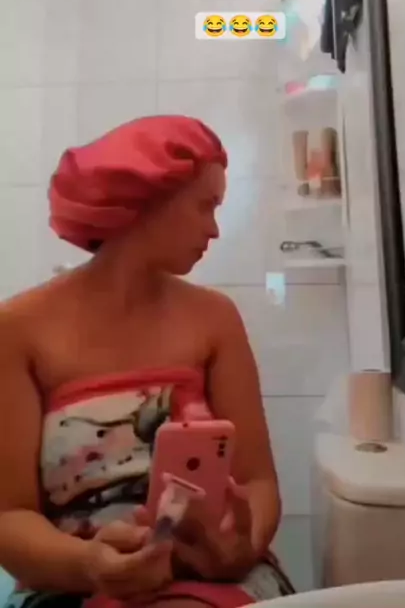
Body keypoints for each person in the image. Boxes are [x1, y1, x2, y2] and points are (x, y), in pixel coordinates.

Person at [0, 115, 294, 608]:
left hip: (217, 580)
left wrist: (238, 550)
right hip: (70, 580)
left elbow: (258, 483)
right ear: (145, 201)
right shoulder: (18, 329)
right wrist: (88, 564)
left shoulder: (215, 319)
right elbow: (9, 516)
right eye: (205, 206)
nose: (214, 230)